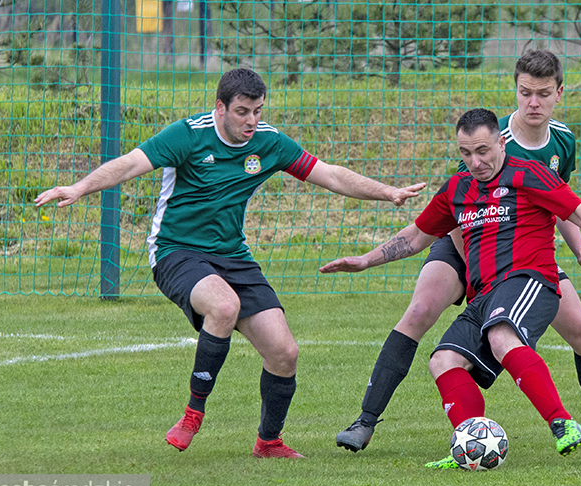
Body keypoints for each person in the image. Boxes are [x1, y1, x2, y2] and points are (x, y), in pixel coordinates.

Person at [35, 68, 426, 459]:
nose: (251, 121)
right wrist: (79, 187)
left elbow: (332, 176)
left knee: (284, 352)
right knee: (224, 306)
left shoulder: (269, 142)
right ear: (220, 107)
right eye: (242, 112)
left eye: (257, 111)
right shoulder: (188, 135)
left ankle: (268, 442)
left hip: (233, 256)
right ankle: (192, 414)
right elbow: (128, 164)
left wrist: (387, 191)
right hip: (176, 250)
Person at [334, 50, 581, 453]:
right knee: (421, 315)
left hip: (519, 256)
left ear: (559, 93)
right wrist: (475, 275)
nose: (533, 102)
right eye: (525, 92)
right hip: (466, 240)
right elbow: (447, 220)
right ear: (515, 91)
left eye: (543, 94)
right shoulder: (482, 145)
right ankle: (366, 422)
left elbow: (567, 207)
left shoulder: (558, 145)